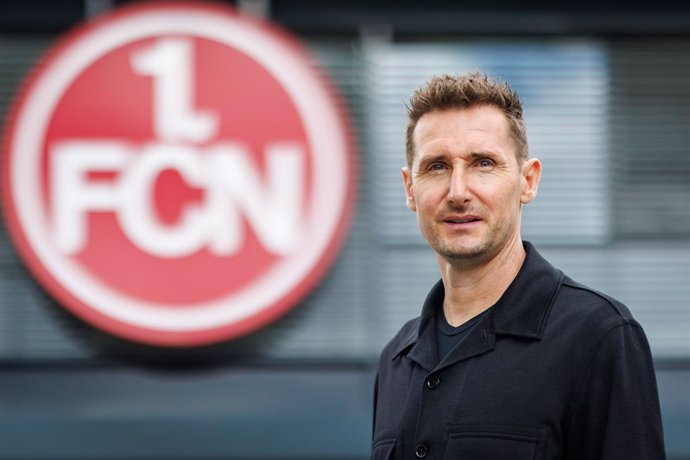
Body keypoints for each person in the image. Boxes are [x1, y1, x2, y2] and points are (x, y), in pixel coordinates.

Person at [371, 72, 666, 460]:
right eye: (437, 167)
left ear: (528, 181)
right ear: (410, 189)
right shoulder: (396, 359)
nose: (458, 192)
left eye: (483, 163)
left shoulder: (598, 336)